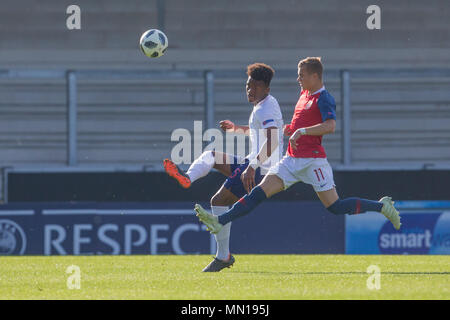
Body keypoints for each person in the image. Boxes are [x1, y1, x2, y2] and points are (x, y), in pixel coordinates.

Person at [195, 57, 401, 238]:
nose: (298, 79)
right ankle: (218, 221)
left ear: (315, 76)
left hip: (313, 161)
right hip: (291, 160)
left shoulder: (324, 98)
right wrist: (251, 129)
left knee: (336, 207)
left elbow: (330, 126)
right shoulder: (304, 96)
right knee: (258, 192)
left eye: (301, 75)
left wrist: (302, 132)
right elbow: (291, 128)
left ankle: (382, 207)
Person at [163, 63, 284, 271]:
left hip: (261, 169)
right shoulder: (264, 105)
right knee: (211, 156)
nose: (250, 89)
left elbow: (272, 140)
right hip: (255, 163)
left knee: (218, 201)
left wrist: (252, 166)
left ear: (267, 89)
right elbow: (261, 133)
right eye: (248, 85)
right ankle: (188, 178)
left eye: (255, 86)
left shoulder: (266, 107)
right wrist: (237, 129)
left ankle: (223, 256)